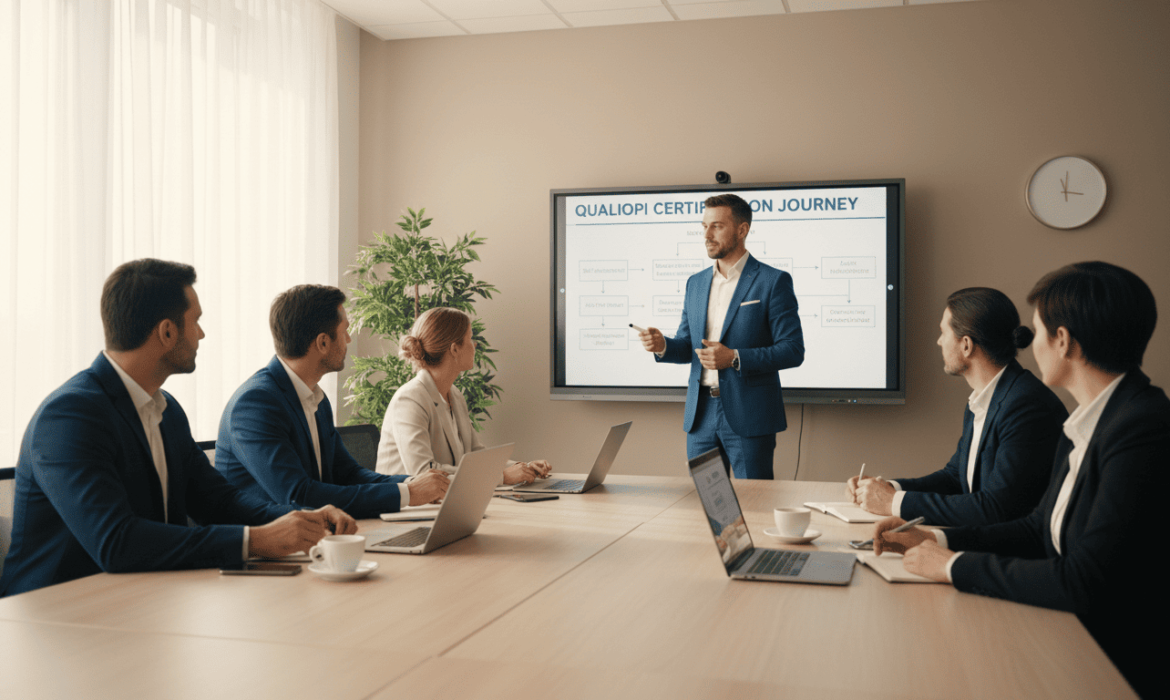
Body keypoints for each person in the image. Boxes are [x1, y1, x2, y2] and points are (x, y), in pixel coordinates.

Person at [873, 262, 1164, 699]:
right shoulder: (1094, 420)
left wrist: (951, 566)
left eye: (1038, 330)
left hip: (1112, 665)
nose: (1029, 344)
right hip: (1069, 634)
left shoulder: (1141, 430)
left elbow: (1084, 581)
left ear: (1063, 341)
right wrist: (934, 538)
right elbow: (1036, 528)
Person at [0, 260, 356, 598]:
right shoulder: (69, 416)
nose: (201, 333)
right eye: (195, 321)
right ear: (167, 332)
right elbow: (116, 542)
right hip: (51, 613)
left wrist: (303, 520)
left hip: (143, 598)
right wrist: (256, 540)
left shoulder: (166, 410)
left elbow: (219, 501)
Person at [216, 285, 449, 519]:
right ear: (323, 343)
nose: (349, 339)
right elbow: (298, 496)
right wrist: (408, 493)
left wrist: (413, 483)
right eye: (345, 330)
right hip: (269, 539)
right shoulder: (255, 404)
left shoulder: (315, 397)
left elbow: (347, 474)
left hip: (319, 532)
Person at [847, 288, 1068, 525]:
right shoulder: (984, 399)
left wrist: (893, 502)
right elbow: (955, 478)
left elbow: (996, 508)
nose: (939, 341)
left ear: (966, 345)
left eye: (943, 332)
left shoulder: (1026, 406)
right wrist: (887, 489)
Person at [637, 193, 804, 479]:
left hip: (749, 414)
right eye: (704, 226)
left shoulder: (773, 281)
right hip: (700, 415)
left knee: (755, 500)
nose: (707, 235)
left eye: (716, 226)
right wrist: (663, 345)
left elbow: (792, 350)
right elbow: (689, 347)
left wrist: (734, 358)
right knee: (711, 501)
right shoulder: (696, 283)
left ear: (742, 230)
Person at [376, 307, 551, 483]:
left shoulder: (454, 395)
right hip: (407, 499)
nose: (474, 345)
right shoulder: (409, 400)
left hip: (446, 497)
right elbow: (423, 472)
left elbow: (475, 455)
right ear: (454, 349)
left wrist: (523, 467)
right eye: (470, 339)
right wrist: (502, 477)